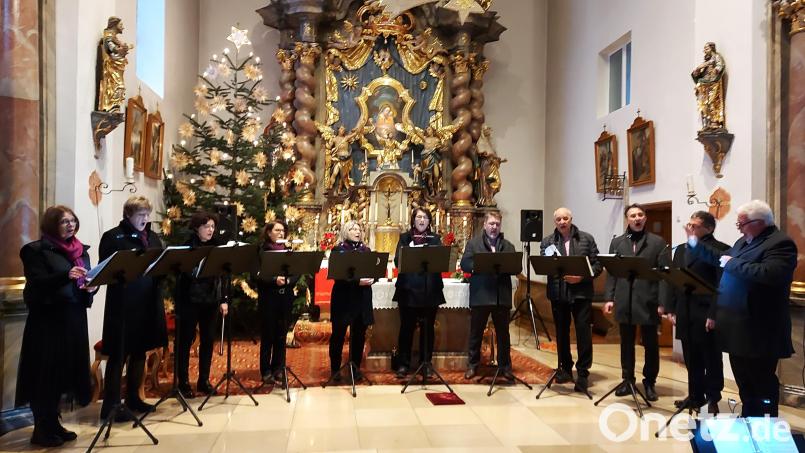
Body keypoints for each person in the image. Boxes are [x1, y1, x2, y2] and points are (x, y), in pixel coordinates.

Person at [685, 200, 797, 417]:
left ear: (760, 222)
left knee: (761, 381)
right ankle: (749, 417)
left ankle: (766, 423)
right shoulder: (743, 242)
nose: (739, 227)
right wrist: (694, 244)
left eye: (742, 223)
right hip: (737, 327)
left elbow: (770, 274)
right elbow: (720, 259)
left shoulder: (780, 243)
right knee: (744, 381)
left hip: (760, 328)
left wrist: (732, 263)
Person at [17, 206, 95, 447]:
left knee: (63, 373)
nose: (70, 225)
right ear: (52, 224)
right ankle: (41, 428)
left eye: (73, 220)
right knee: (45, 374)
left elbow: (83, 283)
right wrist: (66, 276)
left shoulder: (82, 251)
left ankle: (54, 422)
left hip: (73, 319)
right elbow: (37, 282)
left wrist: (91, 288)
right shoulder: (35, 251)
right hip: (47, 322)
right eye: (64, 222)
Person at [99, 196, 167, 421]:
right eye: (141, 215)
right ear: (128, 214)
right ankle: (110, 405)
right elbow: (106, 268)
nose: (145, 219)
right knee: (119, 354)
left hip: (148, 302)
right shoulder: (113, 237)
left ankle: (134, 398)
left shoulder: (153, 236)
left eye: (147, 215)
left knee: (140, 351)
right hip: (124, 304)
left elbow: (160, 263)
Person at [664, 211, 728, 414]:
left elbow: (721, 284)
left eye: (695, 225)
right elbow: (674, 279)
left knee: (711, 357)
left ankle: (713, 397)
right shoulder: (682, 249)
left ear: (709, 228)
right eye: (689, 224)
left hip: (706, 311)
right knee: (691, 356)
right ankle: (695, 395)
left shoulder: (720, 249)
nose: (690, 228)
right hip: (685, 309)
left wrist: (714, 313)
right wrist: (671, 308)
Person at [603, 203, 670, 401]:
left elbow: (665, 275)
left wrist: (662, 302)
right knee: (626, 343)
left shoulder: (657, 242)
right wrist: (609, 297)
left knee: (650, 344)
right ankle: (627, 380)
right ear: (627, 219)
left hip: (649, 299)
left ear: (645, 218)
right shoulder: (617, 243)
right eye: (633, 215)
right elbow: (612, 273)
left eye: (640, 214)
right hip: (625, 299)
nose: (637, 218)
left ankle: (650, 382)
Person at [539, 207, 602, 393]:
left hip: (581, 293)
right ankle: (565, 368)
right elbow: (545, 264)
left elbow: (597, 264)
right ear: (555, 222)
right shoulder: (548, 241)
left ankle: (583, 372)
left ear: (571, 219)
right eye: (558, 219)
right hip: (559, 294)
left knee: (583, 332)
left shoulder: (586, 238)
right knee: (561, 333)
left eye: (565, 218)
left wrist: (581, 277)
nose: (562, 222)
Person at [174, 211, 228, 398]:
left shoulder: (217, 247)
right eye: (207, 227)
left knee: (207, 341)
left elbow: (223, 275)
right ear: (197, 228)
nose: (210, 230)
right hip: (189, 300)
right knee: (185, 342)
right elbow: (183, 273)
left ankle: (203, 380)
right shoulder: (187, 246)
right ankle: (183, 382)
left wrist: (223, 299)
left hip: (211, 300)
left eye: (213, 227)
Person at [461, 212, 516, 380]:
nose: (494, 227)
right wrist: (483, 265)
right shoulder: (474, 244)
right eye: (491, 223)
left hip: (501, 295)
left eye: (497, 224)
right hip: (481, 294)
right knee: (476, 332)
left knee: (503, 334)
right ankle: (473, 365)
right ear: (484, 225)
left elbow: (515, 267)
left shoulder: (508, 246)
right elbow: (465, 263)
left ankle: (505, 366)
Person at [393, 208, 445, 378]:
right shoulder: (405, 238)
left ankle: (426, 363)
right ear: (413, 220)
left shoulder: (435, 239)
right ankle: (403, 364)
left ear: (429, 221)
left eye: (425, 217)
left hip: (430, 291)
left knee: (428, 329)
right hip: (408, 290)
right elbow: (397, 261)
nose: (422, 220)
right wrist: (410, 249)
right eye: (418, 217)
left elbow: (441, 262)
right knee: (406, 328)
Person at [329, 220, 375, 381]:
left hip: (361, 298)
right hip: (343, 298)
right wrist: (357, 281)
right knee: (339, 334)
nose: (357, 232)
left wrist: (372, 278)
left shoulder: (366, 251)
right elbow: (338, 275)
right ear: (345, 232)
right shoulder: (338, 250)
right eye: (353, 229)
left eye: (359, 229)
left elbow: (374, 271)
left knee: (359, 335)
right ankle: (335, 369)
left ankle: (355, 367)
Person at [255, 220, 296, 384]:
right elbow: (256, 275)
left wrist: (287, 281)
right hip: (269, 298)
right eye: (277, 230)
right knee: (268, 335)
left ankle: (278, 368)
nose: (281, 233)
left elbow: (296, 271)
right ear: (269, 232)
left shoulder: (288, 251)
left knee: (281, 334)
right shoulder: (262, 251)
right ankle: (265, 370)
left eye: (283, 231)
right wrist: (273, 280)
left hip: (285, 297)